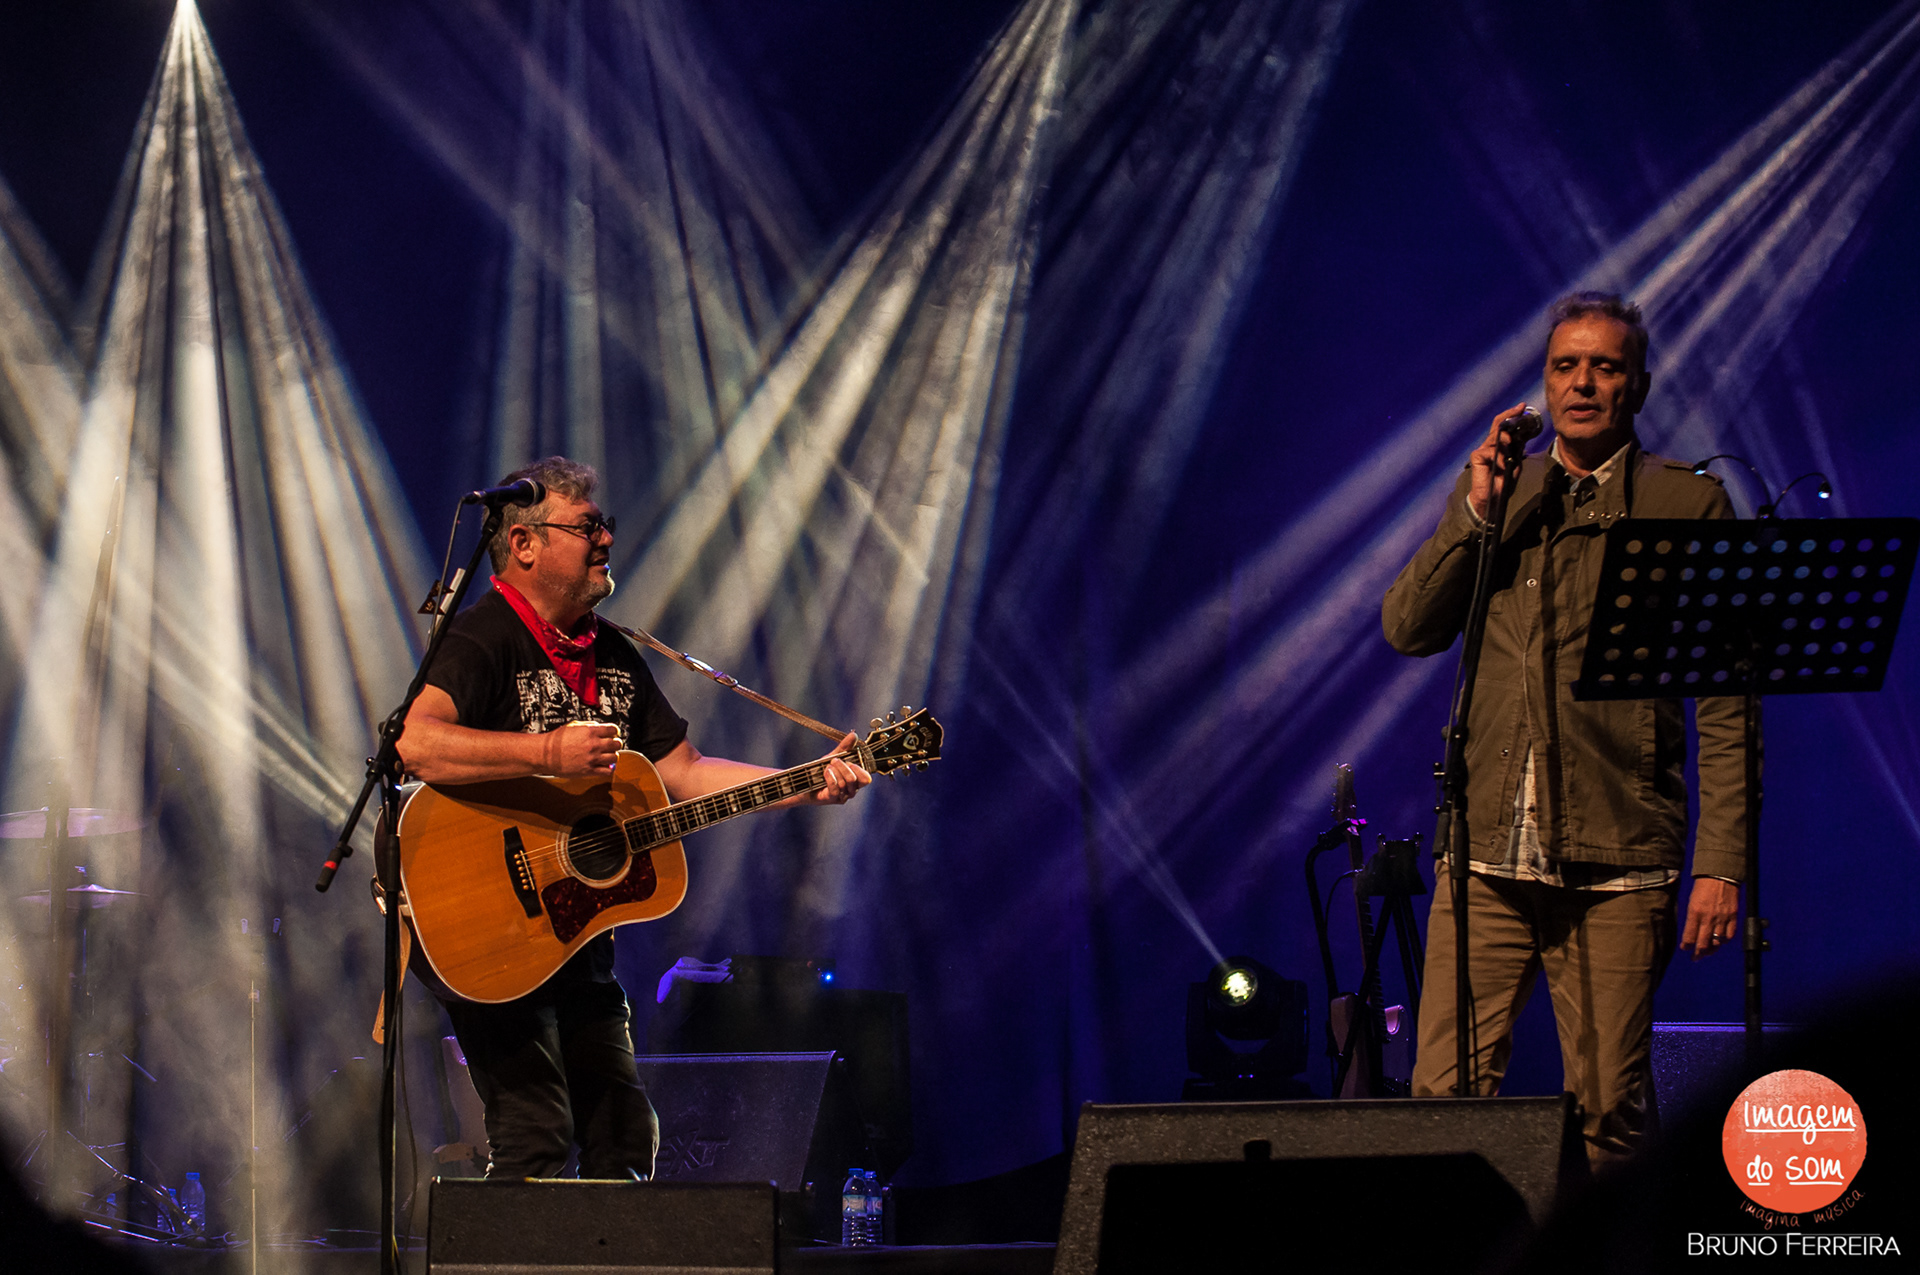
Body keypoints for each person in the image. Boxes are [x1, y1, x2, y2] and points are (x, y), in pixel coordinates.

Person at [396, 456, 870, 1180]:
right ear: (524, 543)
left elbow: (684, 771)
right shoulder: (484, 636)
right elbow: (415, 742)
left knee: (624, 1135)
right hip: (486, 927)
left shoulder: (614, 652)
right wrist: (548, 750)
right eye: (587, 527)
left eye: (605, 525)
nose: (607, 539)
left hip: (577, 939)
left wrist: (803, 785)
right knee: (535, 1132)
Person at [1381, 292, 1748, 1167]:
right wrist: (1477, 511)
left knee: (1610, 1110)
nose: (1582, 383)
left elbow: (1728, 701)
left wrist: (1722, 860)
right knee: (1443, 1106)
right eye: (1565, 366)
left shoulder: (1686, 502)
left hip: (1619, 857)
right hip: (1486, 856)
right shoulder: (1503, 494)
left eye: (1605, 366)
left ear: (1637, 385)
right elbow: (1408, 627)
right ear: (1545, 385)